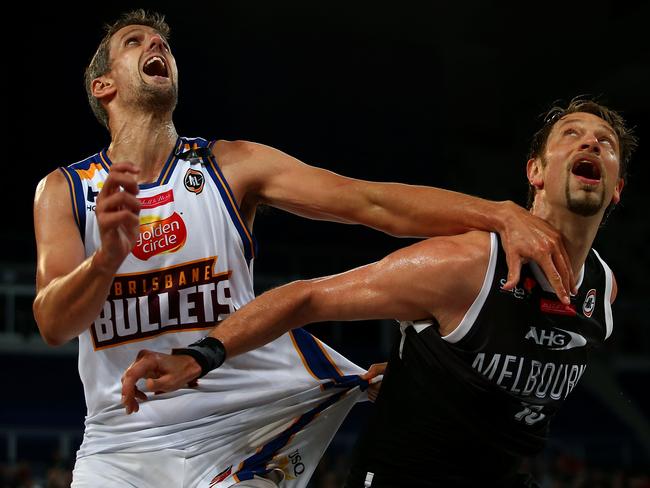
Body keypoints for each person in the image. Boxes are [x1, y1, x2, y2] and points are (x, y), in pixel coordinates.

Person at [32, 8, 573, 488]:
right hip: (120, 441)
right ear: (104, 87)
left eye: (163, 43)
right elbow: (54, 323)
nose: (157, 46)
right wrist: (106, 259)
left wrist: (499, 213)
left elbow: (369, 204)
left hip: (239, 420)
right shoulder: (65, 190)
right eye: (136, 42)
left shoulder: (231, 165)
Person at [121, 97, 637, 487]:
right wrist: (199, 355)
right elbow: (309, 296)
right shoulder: (465, 265)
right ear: (536, 172)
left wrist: (435, 379)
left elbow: (520, 378)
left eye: (605, 143)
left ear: (617, 188)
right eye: (571, 135)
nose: (591, 144)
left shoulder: (604, 291)